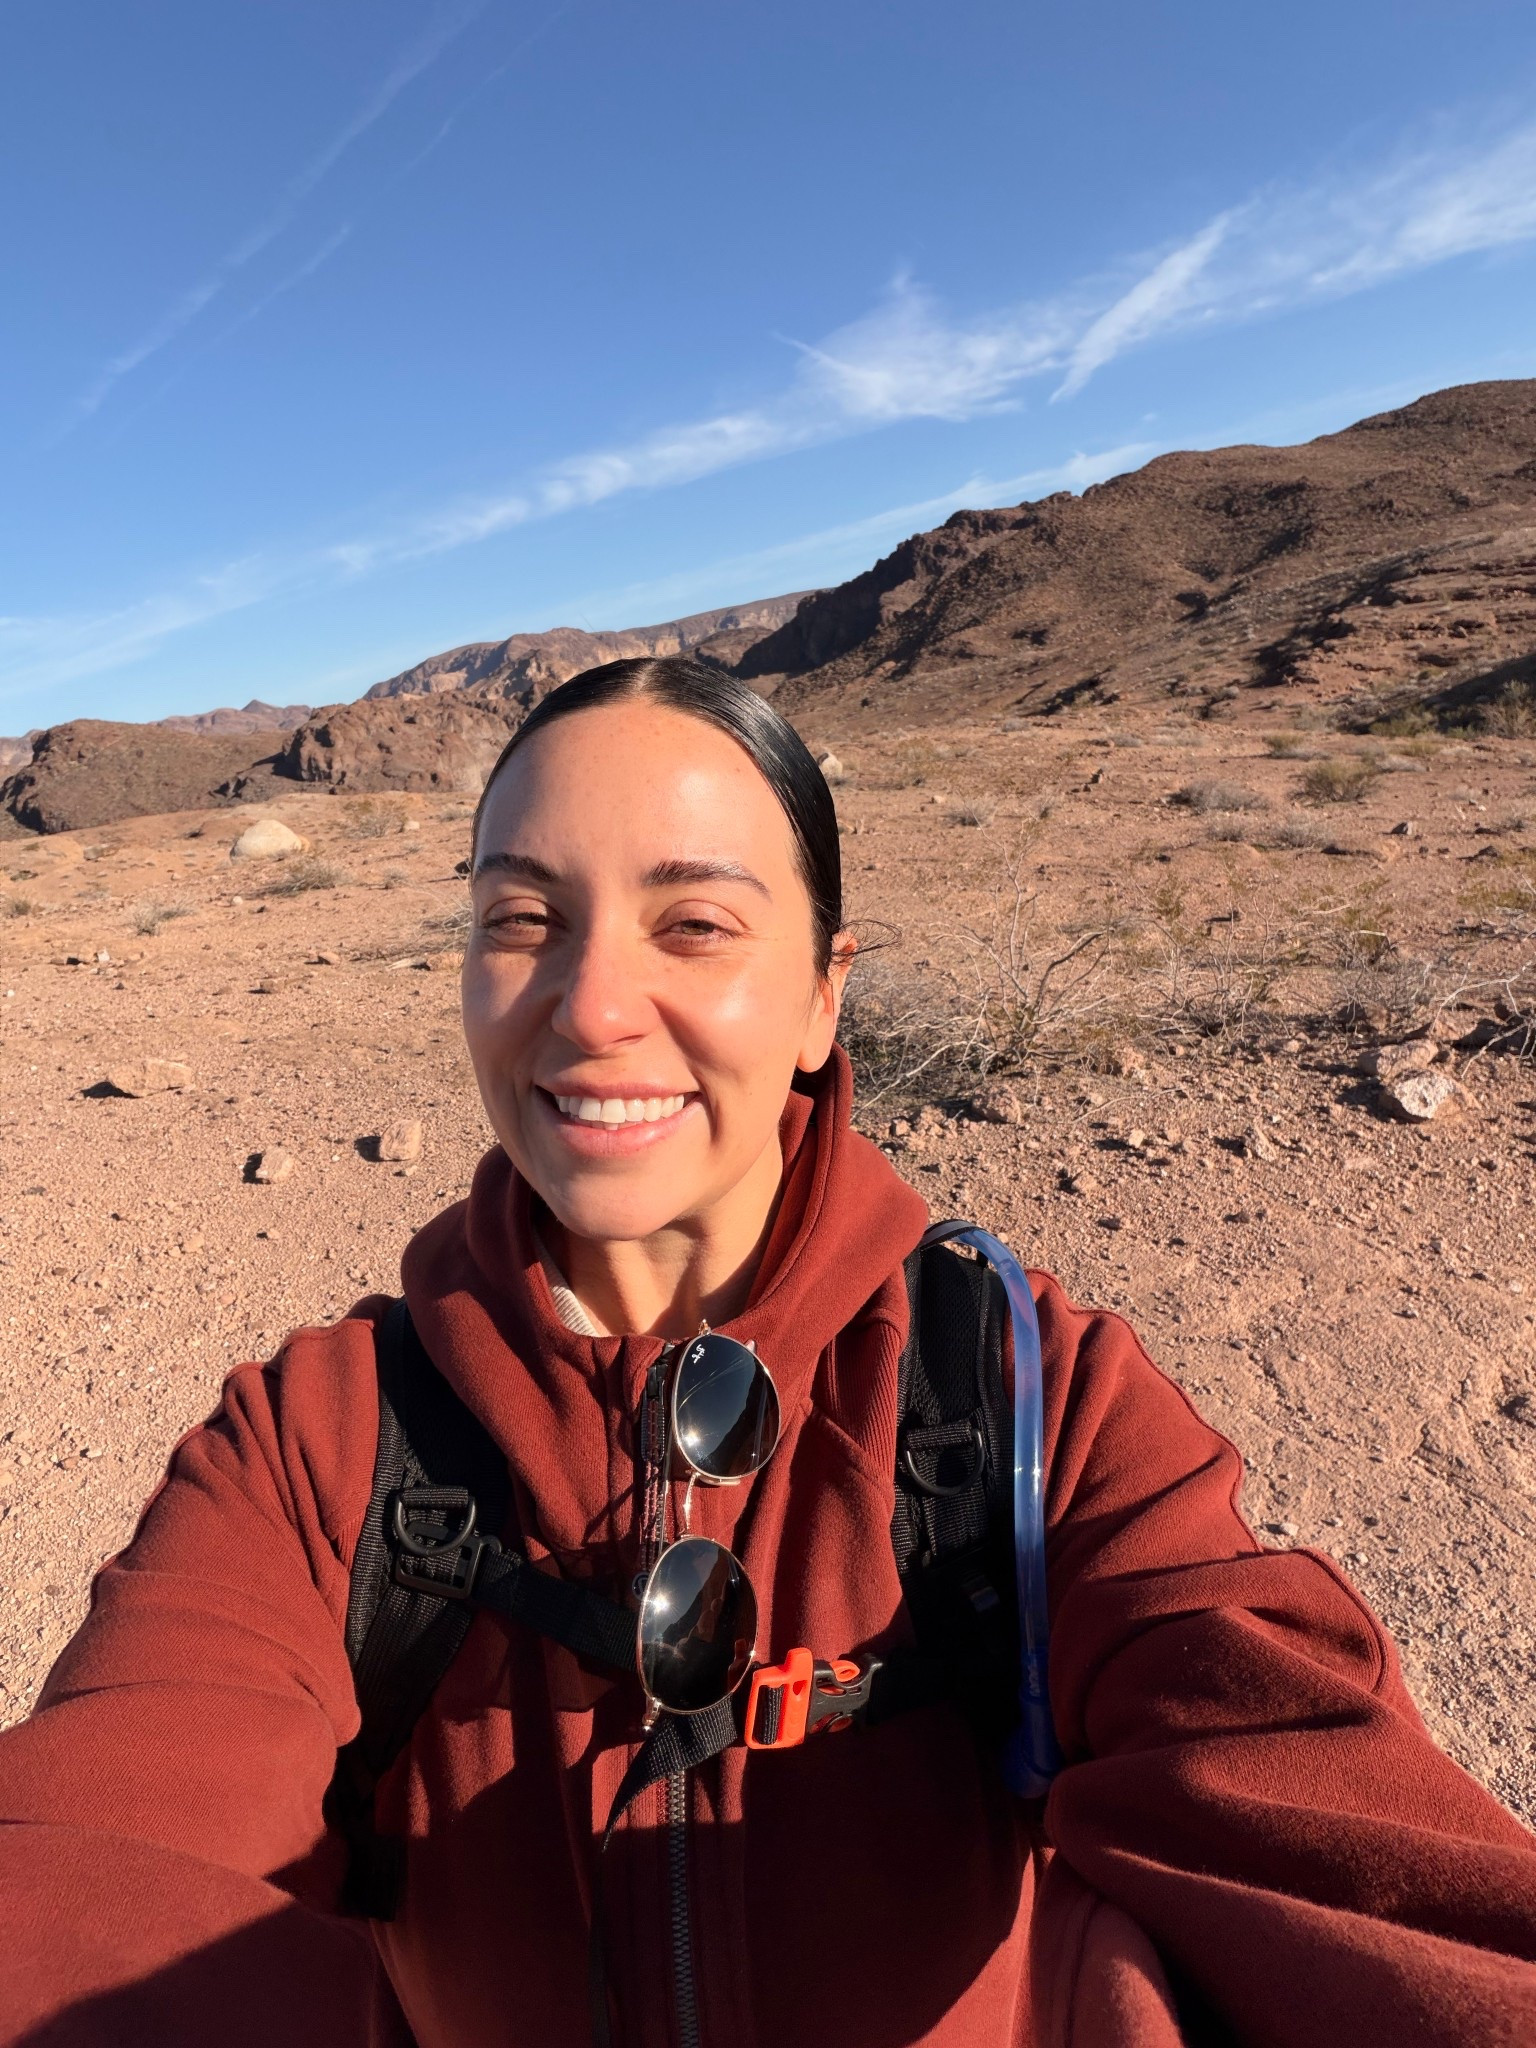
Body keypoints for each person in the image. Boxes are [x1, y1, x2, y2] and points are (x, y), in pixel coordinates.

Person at [2, 657, 1534, 2048]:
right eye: (520, 918)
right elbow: (107, 1852)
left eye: (696, 925)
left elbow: (1306, 1798)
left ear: (822, 993)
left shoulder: (1023, 1398)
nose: (592, 1007)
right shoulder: (318, 1443)